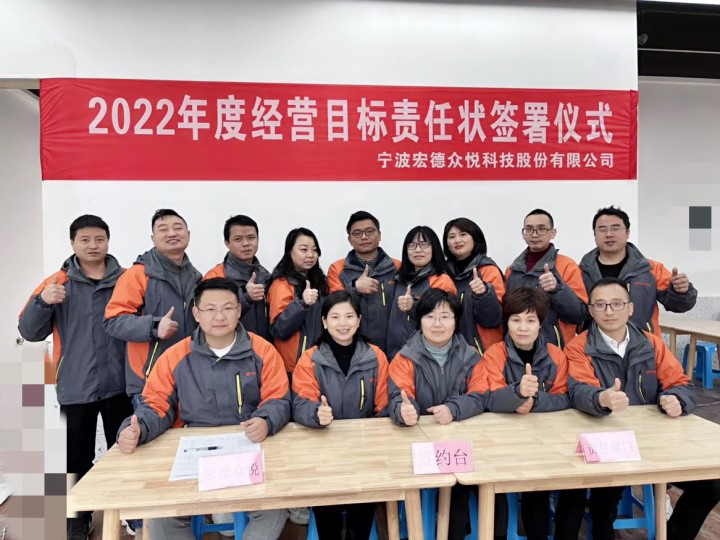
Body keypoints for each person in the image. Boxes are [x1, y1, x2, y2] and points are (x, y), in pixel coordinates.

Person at [116, 278, 291, 540]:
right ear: (196, 314)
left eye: (228, 308)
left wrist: (266, 420)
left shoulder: (263, 351)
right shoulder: (175, 356)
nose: (219, 316)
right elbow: (155, 405)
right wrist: (138, 429)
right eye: (210, 309)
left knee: (273, 512)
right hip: (193, 454)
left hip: (248, 448)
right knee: (162, 517)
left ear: (239, 310)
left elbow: (278, 399)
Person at [560, 277, 720, 540]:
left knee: (711, 485)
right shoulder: (579, 347)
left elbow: (681, 383)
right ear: (591, 311)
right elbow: (578, 390)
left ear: (630, 308)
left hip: (654, 441)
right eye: (600, 305)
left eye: (616, 303)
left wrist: (676, 399)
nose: (609, 311)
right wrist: (602, 399)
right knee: (604, 495)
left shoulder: (651, 343)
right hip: (606, 442)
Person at [18, 215, 132, 540]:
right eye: (85, 240)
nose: (93, 245)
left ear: (108, 241)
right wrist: (43, 302)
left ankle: (128, 511)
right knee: (74, 458)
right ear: (72, 243)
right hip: (75, 385)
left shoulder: (127, 279)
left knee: (126, 452)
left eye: (99, 239)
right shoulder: (57, 282)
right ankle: (78, 517)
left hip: (122, 384)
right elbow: (29, 331)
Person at [388, 288, 487, 540]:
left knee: (460, 487)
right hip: (416, 445)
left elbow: (480, 395)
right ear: (420, 321)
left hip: (459, 445)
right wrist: (403, 412)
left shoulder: (471, 356)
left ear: (456, 321)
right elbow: (398, 397)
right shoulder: (404, 358)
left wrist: (454, 409)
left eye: (445, 317)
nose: (438, 324)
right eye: (430, 316)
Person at [292, 290, 389, 539]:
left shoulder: (376, 356)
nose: (343, 323)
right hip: (323, 449)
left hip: (366, 449)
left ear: (359, 320)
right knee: (327, 506)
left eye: (349, 316)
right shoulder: (310, 359)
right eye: (335, 317)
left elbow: (384, 406)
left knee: (363, 504)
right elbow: (300, 403)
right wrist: (316, 413)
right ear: (324, 321)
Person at [482, 287, 570, 540]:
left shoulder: (556, 355)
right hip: (501, 442)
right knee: (494, 483)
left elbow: (565, 397)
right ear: (506, 322)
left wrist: (535, 400)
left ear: (540, 323)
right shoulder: (494, 354)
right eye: (516, 320)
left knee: (541, 485)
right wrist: (516, 395)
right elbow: (490, 398)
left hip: (545, 441)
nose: (523, 328)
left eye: (530, 321)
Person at [105, 209, 202, 400]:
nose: (172, 233)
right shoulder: (138, 274)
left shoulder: (196, 277)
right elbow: (113, 321)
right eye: (163, 229)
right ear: (153, 238)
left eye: (178, 228)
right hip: (149, 382)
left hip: (190, 380)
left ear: (188, 234)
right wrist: (154, 326)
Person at [579, 206, 697, 336]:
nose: (609, 234)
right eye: (602, 229)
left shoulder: (651, 269)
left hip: (644, 344)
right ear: (595, 235)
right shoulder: (581, 272)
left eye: (615, 228)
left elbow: (679, 305)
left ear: (627, 233)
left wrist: (680, 292)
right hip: (593, 343)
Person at [505, 209, 588, 348]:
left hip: (554, 350)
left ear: (552, 233)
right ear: (523, 234)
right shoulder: (512, 270)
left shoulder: (567, 265)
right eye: (529, 229)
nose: (534, 234)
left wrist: (557, 289)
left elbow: (579, 314)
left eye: (541, 229)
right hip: (516, 348)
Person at [327, 211, 400, 354]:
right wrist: (355, 288)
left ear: (379, 235)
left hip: (392, 348)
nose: (364, 237)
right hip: (352, 348)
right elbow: (333, 307)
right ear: (349, 239)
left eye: (369, 231)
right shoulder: (337, 269)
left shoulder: (397, 267)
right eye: (357, 233)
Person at [386, 226, 457, 359]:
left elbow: (443, 320)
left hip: (426, 356)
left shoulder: (441, 280)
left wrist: (413, 306)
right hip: (395, 354)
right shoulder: (399, 280)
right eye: (412, 246)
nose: (418, 250)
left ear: (434, 248)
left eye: (424, 245)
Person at [267, 228, 329, 375]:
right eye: (304, 249)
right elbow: (278, 330)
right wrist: (302, 304)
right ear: (290, 251)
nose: (310, 255)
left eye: (314, 250)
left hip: (320, 362)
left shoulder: (320, 281)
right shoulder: (281, 284)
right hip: (294, 368)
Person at [443, 217, 505, 354]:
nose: (457, 240)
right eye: (452, 237)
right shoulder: (442, 273)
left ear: (475, 239)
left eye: (463, 234)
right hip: (450, 353)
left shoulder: (488, 270)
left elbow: (494, 319)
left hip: (484, 352)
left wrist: (484, 294)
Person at [205, 214, 271, 340]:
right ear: (227, 243)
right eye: (238, 239)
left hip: (263, 347)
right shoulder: (215, 276)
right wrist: (245, 296)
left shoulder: (265, 276)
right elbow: (209, 318)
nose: (246, 244)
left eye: (251, 238)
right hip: (229, 348)